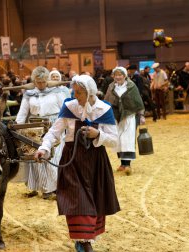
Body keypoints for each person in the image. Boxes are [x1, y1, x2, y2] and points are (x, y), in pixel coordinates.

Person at [34, 74, 120, 252]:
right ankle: (83, 241)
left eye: (79, 93)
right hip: (72, 160)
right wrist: (44, 148)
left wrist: (97, 135)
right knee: (76, 200)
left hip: (96, 160)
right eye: (75, 92)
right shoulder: (69, 107)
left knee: (95, 199)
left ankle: (87, 239)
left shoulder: (104, 109)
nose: (75, 96)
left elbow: (114, 140)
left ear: (90, 93)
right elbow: (54, 132)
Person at [16, 66, 70, 199]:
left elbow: (64, 110)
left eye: (43, 82)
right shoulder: (29, 94)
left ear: (47, 80)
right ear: (34, 81)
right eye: (38, 82)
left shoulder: (57, 92)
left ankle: (55, 188)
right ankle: (44, 188)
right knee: (37, 158)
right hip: (35, 128)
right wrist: (18, 127)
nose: (40, 85)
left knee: (53, 157)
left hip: (54, 125)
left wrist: (64, 126)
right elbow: (23, 112)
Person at [104, 66, 145, 175]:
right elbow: (107, 100)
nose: (118, 77)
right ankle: (122, 163)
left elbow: (138, 101)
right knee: (119, 140)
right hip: (116, 116)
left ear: (124, 75)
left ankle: (127, 164)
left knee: (127, 139)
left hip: (129, 116)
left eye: (120, 75)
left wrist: (141, 115)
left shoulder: (131, 86)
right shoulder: (111, 87)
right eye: (116, 75)